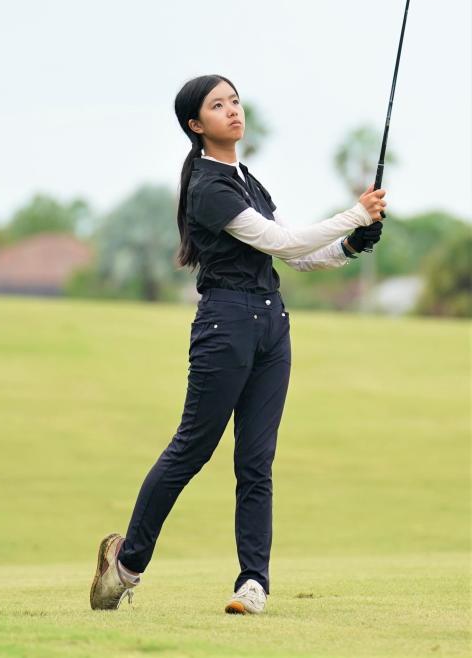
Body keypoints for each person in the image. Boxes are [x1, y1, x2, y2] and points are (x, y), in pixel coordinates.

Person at [89, 75, 386, 615]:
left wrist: (350, 244)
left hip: (272, 325)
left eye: (235, 102)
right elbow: (281, 240)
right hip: (225, 325)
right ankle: (127, 565)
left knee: (257, 460)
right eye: (218, 105)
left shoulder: (247, 180)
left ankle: (253, 583)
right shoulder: (207, 187)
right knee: (193, 448)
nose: (233, 111)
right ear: (196, 125)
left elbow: (294, 257)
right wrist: (357, 212)